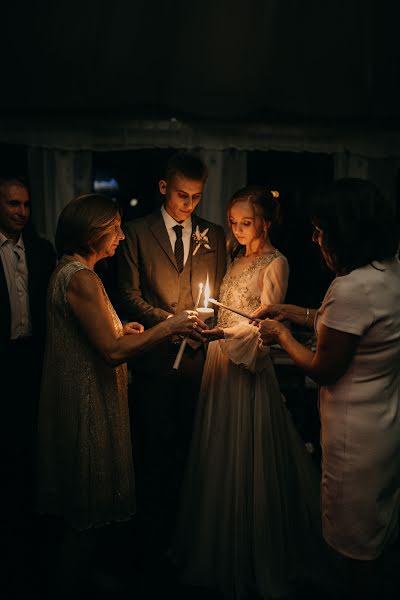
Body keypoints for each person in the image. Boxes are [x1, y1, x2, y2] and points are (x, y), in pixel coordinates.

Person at [35, 193, 208, 592]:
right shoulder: (80, 277)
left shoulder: (74, 271)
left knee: (85, 510)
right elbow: (112, 352)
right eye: (114, 228)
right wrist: (171, 325)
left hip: (85, 391)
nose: (120, 236)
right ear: (92, 232)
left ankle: (81, 576)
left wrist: (126, 329)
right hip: (86, 400)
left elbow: (100, 336)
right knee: (86, 509)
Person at [170, 186, 328, 600]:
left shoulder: (276, 263)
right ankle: (214, 544)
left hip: (246, 365)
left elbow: (266, 327)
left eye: (247, 222)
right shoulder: (234, 256)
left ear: (266, 222)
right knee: (216, 451)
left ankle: (254, 552)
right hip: (218, 364)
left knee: (247, 454)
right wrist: (209, 327)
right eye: (234, 222)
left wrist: (223, 333)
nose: (238, 230)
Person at [256, 178, 400, 599]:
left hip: (355, 440)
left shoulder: (350, 287)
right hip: (385, 425)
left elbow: (324, 367)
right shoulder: (388, 271)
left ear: (344, 230)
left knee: (356, 547)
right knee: (376, 532)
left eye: (321, 229)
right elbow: (346, 323)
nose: (315, 238)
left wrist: (280, 333)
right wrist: (293, 311)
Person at [117, 151, 226, 550]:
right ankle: (148, 541)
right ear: (164, 187)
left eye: (197, 197)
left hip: (200, 363)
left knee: (192, 452)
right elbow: (127, 294)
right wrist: (169, 323)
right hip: (153, 363)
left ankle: (189, 537)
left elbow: (219, 294)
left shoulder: (213, 236)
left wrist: (205, 326)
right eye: (182, 195)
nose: (189, 205)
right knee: (150, 453)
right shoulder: (135, 232)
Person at [0, 176, 56, 516]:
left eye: (26, 204)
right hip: (2, 357)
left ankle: (29, 509)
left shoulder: (41, 250)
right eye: (13, 203)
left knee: (32, 438)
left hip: (33, 357)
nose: (22, 211)